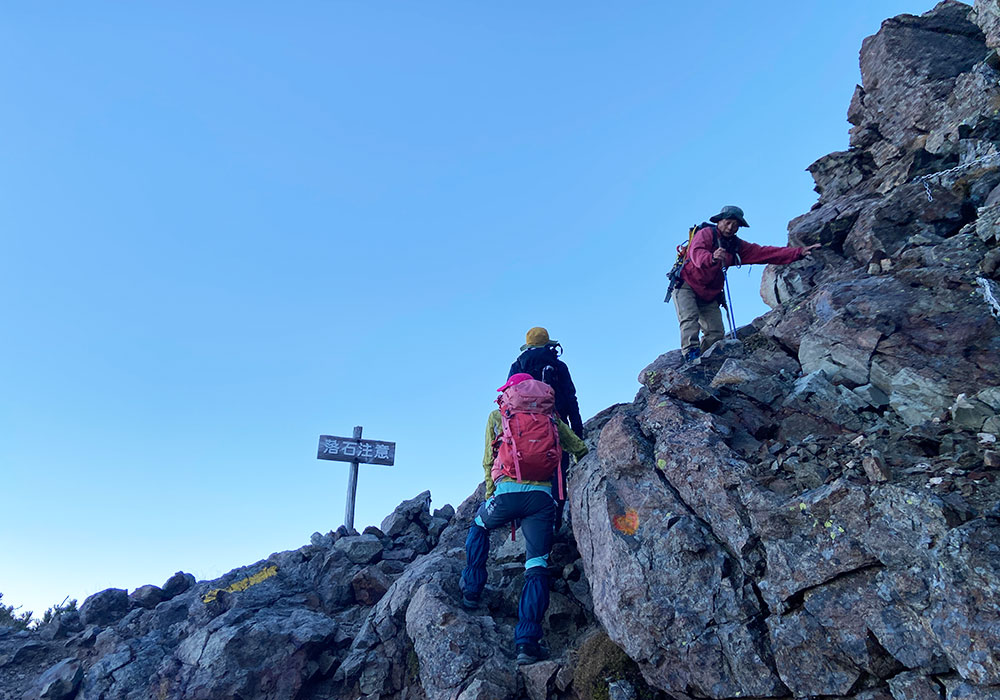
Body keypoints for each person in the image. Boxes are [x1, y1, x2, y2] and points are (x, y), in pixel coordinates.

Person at [460, 373, 588, 666]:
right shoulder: (550, 415)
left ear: (510, 392)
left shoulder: (498, 414)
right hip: (542, 501)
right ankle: (527, 644)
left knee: (478, 527)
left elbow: (487, 460)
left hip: (505, 496)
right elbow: (576, 446)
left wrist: (491, 494)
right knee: (536, 566)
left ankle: (471, 590)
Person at [674, 205, 820, 361]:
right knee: (690, 319)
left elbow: (765, 253)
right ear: (719, 221)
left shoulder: (736, 246)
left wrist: (798, 252)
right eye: (728, 222)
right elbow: (697, 254)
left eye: (735, 225)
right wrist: (712, 257)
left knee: (716, 332)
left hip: (709, 293)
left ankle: (704, 361)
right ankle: (690, 355)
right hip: (686, 285)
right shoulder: (705, 234)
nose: (731, 227)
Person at [508, 327, 583, 439]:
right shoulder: (558, 365)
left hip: (525, 428)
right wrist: (577, 429)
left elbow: (508, 399)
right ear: (548, 344)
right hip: (557, 423)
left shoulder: (517, 367)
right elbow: (570, 397)